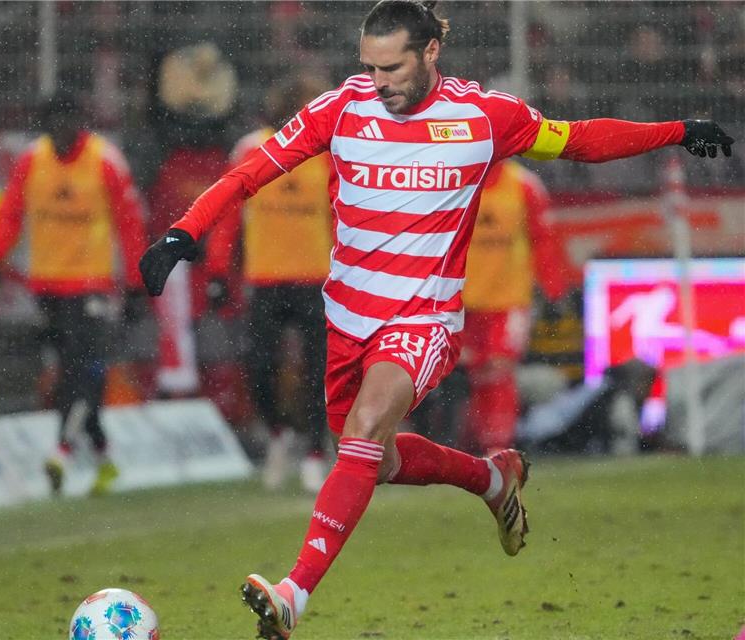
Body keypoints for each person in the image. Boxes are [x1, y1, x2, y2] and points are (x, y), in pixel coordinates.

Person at [138, 2, 736, 637]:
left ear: (429, 54)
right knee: (376, 458)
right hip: (347, 320)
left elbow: (579, 139)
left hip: (423, 320)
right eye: (368, 68)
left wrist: (675, 130)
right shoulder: (342, 109)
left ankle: (293, 593)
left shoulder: (484, 117)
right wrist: (182, 234)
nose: (378, 83)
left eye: (391, 68)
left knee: (365, 428)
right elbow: (252, 173)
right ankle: (491, 477)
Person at [0, 91, 148, 497]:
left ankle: (61, 450)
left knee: (80, 370)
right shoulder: (31, 162)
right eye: (55, 121)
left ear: (80, 122)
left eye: (69, 119)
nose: (62, 129)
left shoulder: (104, 160)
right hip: (48, 287)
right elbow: (10, 213)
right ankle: (105, 459)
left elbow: (130, 223)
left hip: (91, 285)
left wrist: (137, 283)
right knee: (69, 373)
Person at [204, 72, 335, 493]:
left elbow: (345, 216)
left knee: (319, 372)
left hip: (318, 279)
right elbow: (226, 213)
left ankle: (315, 450)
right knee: (260, 368)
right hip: (265, 279)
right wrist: (217, 270)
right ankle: (280, 435)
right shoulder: (250, 149)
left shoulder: (328, 152)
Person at [456, 158, 572, 455]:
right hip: (462, 300)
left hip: (508, 301)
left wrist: (554, 289)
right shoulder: (457, 181)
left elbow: (544, 241)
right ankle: (477, 444)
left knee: (499, 368)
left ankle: (498, 447)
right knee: (477, 373)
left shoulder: (523, 185)